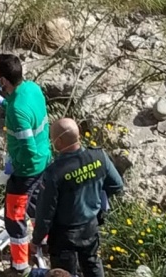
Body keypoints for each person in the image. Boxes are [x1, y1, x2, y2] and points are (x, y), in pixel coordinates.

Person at [31, 118, 124, 277]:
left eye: (52, 139)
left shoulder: (54, 173)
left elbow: (45, 213)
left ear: (59, 141)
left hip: (64, 235)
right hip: (90, 226)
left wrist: (36, 240)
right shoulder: (99, 156)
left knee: (64, 273)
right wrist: (97, 200)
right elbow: (117, 185)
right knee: (92, 263)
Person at [0, 53, 52, 275]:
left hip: (27, 170)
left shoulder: (16, 111)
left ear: (3, 80)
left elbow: (28, 147)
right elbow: (30, 114)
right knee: (36, 205)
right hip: (44, 161)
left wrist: (14, 166)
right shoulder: (32, 88)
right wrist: (4, 102)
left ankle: (20, 264)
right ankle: (43, 241)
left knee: (14, 217)